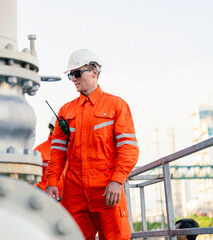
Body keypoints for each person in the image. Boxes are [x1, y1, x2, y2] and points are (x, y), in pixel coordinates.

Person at [46, 49, 139, 240]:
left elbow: (128, 147)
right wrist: (52, 182)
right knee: (71, 237)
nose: (73, 79)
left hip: (106, 189)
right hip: (75, 192)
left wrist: (117, 180)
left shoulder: (116, 105)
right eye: (71, 75)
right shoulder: (65, 111)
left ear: (94, 72)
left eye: (77, 73)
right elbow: (57, 152)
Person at [35, 116, 65, 195]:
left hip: (67, 201)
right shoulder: (39, 151)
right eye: (57, 129)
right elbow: (31, 181)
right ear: (51, 129)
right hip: (47, 198)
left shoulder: (72, 150)